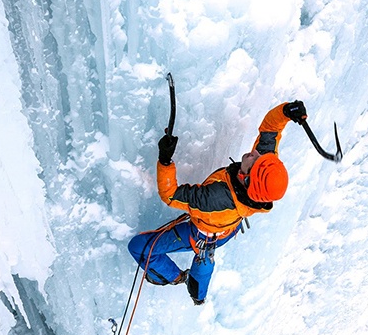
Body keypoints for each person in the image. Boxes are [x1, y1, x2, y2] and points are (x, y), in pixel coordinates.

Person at [127, 101, 308, 305]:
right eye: (261, 157)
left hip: (201, 232)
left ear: (245, 178)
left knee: (139, 247)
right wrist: (286, 111)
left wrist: (165, 160)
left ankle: (174, 277)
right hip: (227, 229)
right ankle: (198, 294)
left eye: (255, 161)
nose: (255, 153)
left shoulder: (214, 198)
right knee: (204, 261)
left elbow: (170, 195)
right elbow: (270, 128)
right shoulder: (265, 172)